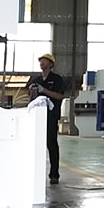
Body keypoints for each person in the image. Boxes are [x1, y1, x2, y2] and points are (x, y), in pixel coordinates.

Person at [28, 53, 66, 184]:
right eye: (40, 61)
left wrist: (43, 90)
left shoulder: (57, 79)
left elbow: (59, 96)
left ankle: (54, 174)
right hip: (38, 117)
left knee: (51, 144)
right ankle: (36, 174)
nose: (41, 62)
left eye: (44, 60)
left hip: (51, 116)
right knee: (36, 145)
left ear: (51, 64)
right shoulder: (36, 80)